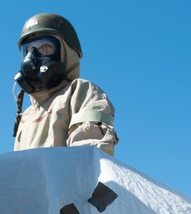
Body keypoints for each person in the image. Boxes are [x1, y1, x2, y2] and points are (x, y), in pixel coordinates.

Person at [12, 13, 118, 155]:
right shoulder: (26, 115)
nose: (31, 59)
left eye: (45, 47)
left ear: (66, 53)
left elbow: (88, 157)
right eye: (27, 51)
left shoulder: (80, 92)